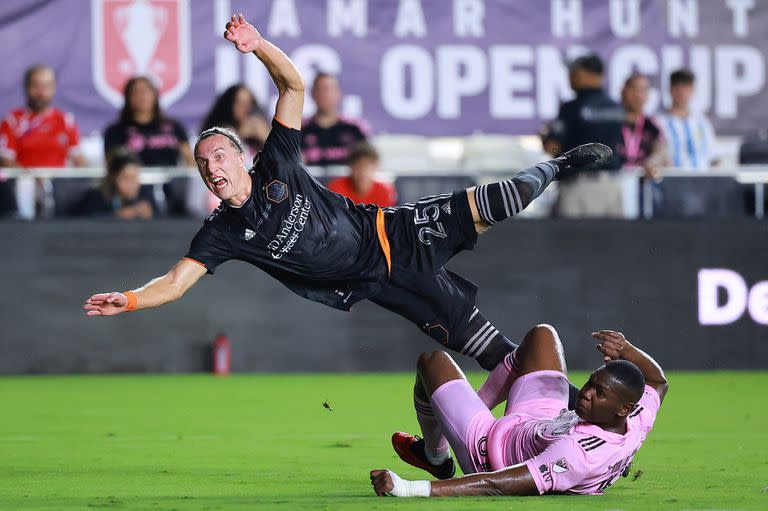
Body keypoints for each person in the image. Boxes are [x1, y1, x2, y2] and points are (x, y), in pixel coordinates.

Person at [83, 14, 610, 393]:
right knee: (492, 353)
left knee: (497, 199)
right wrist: (128, 299)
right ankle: (546, 419)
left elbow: (292, 85)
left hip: (395, 231)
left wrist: (259, 45)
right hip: (383, 282)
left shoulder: (278, 163)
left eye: (219, 154)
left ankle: (560, 165)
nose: (212, 167)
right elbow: (174, 284)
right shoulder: (220, 233)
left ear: (241, 157)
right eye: (203, 163)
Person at [370, 327, 668, 497]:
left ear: (621, 409)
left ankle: (435, 456)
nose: (586, 393)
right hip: (544, 420)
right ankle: (465, 412)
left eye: (599, 393)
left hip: (490, 449)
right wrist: (626, 349)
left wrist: (408, 488)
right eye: (591, 383)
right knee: (541, 335)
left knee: (431, 361)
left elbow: (495, 484)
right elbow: (657, 381)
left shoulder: (579, 454)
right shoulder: (637, 416)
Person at [546, 53, 625, 218]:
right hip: (611, 184)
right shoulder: (616, 108)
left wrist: (544, 137)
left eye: (575, 72)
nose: (570, 77)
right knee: (612, 243)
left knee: (572, 242)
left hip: (578, 186)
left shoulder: (572, 108)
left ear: (589, 74)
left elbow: (552, 146)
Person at [103, 76, 195, 215]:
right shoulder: (116, 131)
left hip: (171, 191)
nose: (142, 96)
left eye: (146, 91)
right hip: (134, 192)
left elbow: (190, 161)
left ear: (155, 95)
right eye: (136, 91)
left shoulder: (173, 127)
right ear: (128, 97)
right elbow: (112, 164)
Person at [0, 64, 84, 215]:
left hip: (59, 187)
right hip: (23, 185)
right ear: (26, 87)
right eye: (36, 85)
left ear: (54, 88)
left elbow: (78, 159)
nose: (41, 92)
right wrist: (31, 178)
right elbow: (6, 160)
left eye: (46, 86)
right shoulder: (12, 120)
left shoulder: (65, 120)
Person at [300, 72, 369, 166]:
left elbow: (367, 164)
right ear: (313, 94)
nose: (325, 95)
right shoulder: (300, 130)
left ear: (339, 94)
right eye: (321, 89)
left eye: (330, 89)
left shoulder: (355, 129)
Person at [656, 69, 718, 170]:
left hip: (702, 180)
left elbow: (712, 155)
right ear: (671, 89)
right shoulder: (659, 121)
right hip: (672, 180)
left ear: (692, 90)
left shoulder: (702, 122)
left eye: (686, 88)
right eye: (678, 88)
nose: (682, 92)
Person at [72, 149, 156, 219]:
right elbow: (82, 220)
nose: (132, 184)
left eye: (135, 178)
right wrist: (118, 215)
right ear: (113, 177)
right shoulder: (96, 197)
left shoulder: (145, 196)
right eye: (126, 178)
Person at [200, 83, 271, 162]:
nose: (246, 108)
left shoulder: (256, 134)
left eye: (250, 103)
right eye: (240, 103)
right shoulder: (218, 131)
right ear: (229, 105)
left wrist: (267, 138)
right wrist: (240, 134)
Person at [617, 73, 668, 179]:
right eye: (634, 89)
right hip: (614, 181)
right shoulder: (610, 123)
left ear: (648, 96)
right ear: (623, 92)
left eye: (643, 90)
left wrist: (652, 162)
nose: (638, 95)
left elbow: (661, 152)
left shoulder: (653, 126)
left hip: (643, 185)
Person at [327, 142, 396, 206]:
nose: (363, 172)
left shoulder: (384, 191)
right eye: (358, 166)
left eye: (368, 166)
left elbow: (385, 217)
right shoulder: (336, 188)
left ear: (376, 166)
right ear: (351, 166)